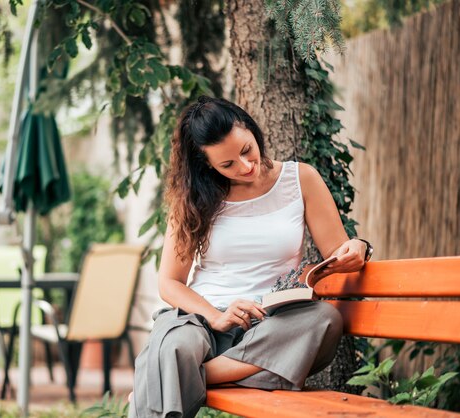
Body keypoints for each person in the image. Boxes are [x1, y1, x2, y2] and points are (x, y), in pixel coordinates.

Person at [128, 96, 372, 418]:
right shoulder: (193, 198)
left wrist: (356, 247)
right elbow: (169, 283)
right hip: (201, 318)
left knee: (325, 320)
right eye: (227, 164)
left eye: (246, 150)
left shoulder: (300, 180)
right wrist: (216, 317)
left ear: (251, 128)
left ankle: (178, 377)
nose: (245, 166)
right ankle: (188, 370)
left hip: (269, 325)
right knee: (174, 344)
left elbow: (337, 252)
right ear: (207, 164)